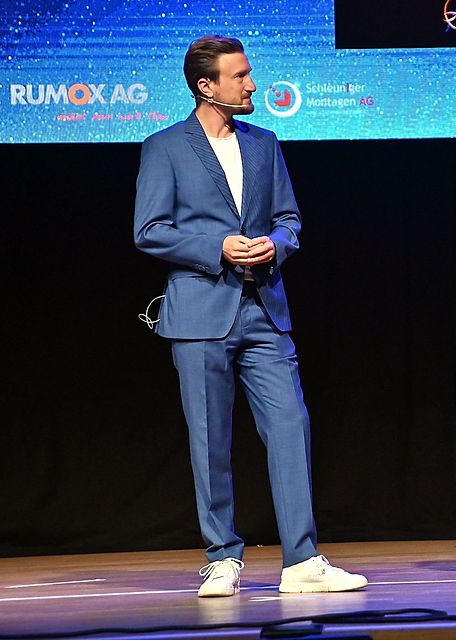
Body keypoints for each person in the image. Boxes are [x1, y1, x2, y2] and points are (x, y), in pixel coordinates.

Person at [133, 35, 367, 597]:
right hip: (200, 312)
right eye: (239, 76)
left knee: (291, 425)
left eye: (249, 73)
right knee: (210, 437)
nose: (252, 84)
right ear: (205, 86)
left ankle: (302, 561)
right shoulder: (165, 147)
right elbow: (149, 230)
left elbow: (289, 218)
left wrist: (274, 246)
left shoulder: (264, 143)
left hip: (264, 308)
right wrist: (219, 246)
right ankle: (221, 557)